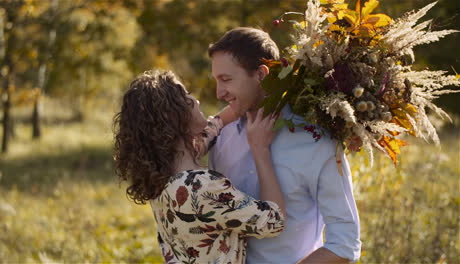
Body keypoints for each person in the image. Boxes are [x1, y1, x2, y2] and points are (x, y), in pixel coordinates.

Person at [208, 27, 361, 263]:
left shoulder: (316, 143)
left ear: (261, 74)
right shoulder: (222, 137)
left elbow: (344, 243)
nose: (219, 93)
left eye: (226, 80)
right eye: (216, 80)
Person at [113, 70, 286, 264]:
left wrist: (242, 104)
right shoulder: (201, 186)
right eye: (188, 98)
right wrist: (260, 149)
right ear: (177, 117)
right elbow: (274, 220)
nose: (197, 101)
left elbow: (213, 127)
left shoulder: (162, 174)